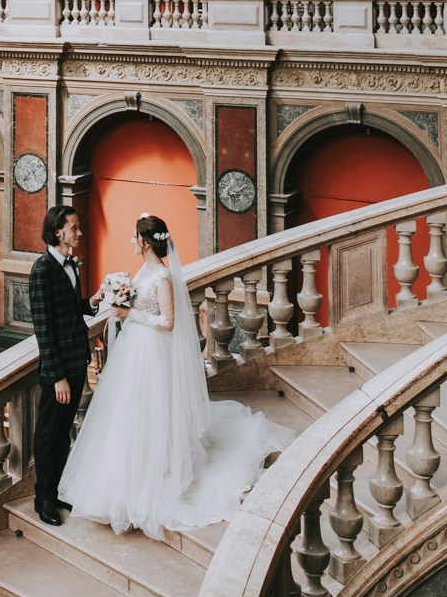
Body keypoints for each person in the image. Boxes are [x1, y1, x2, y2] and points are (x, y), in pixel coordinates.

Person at [58, 214, 292, 541]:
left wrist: (130, 313)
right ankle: (128, 476)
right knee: (130, 414)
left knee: (153, 411)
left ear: (144, 241)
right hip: (135, 351)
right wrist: (113, 297)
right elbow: (136, 301)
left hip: (152, 352)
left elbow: (168, 322)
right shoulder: (143, 271)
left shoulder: (163, 276)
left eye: (134, 236)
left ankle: (159, 472)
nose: (131, 241)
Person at [28, 205, 98, 527]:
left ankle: (56, 490)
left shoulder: (71, 265)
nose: (79, 233)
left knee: (62, 434)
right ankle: (43, 498)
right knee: (47, 433)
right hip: (58, 373)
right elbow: (44, 330)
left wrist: (92, 303)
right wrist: (56, 378)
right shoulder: (42, 270)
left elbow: (70, 312)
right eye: (75, 227)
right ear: (58, 232)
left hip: (76, 361)